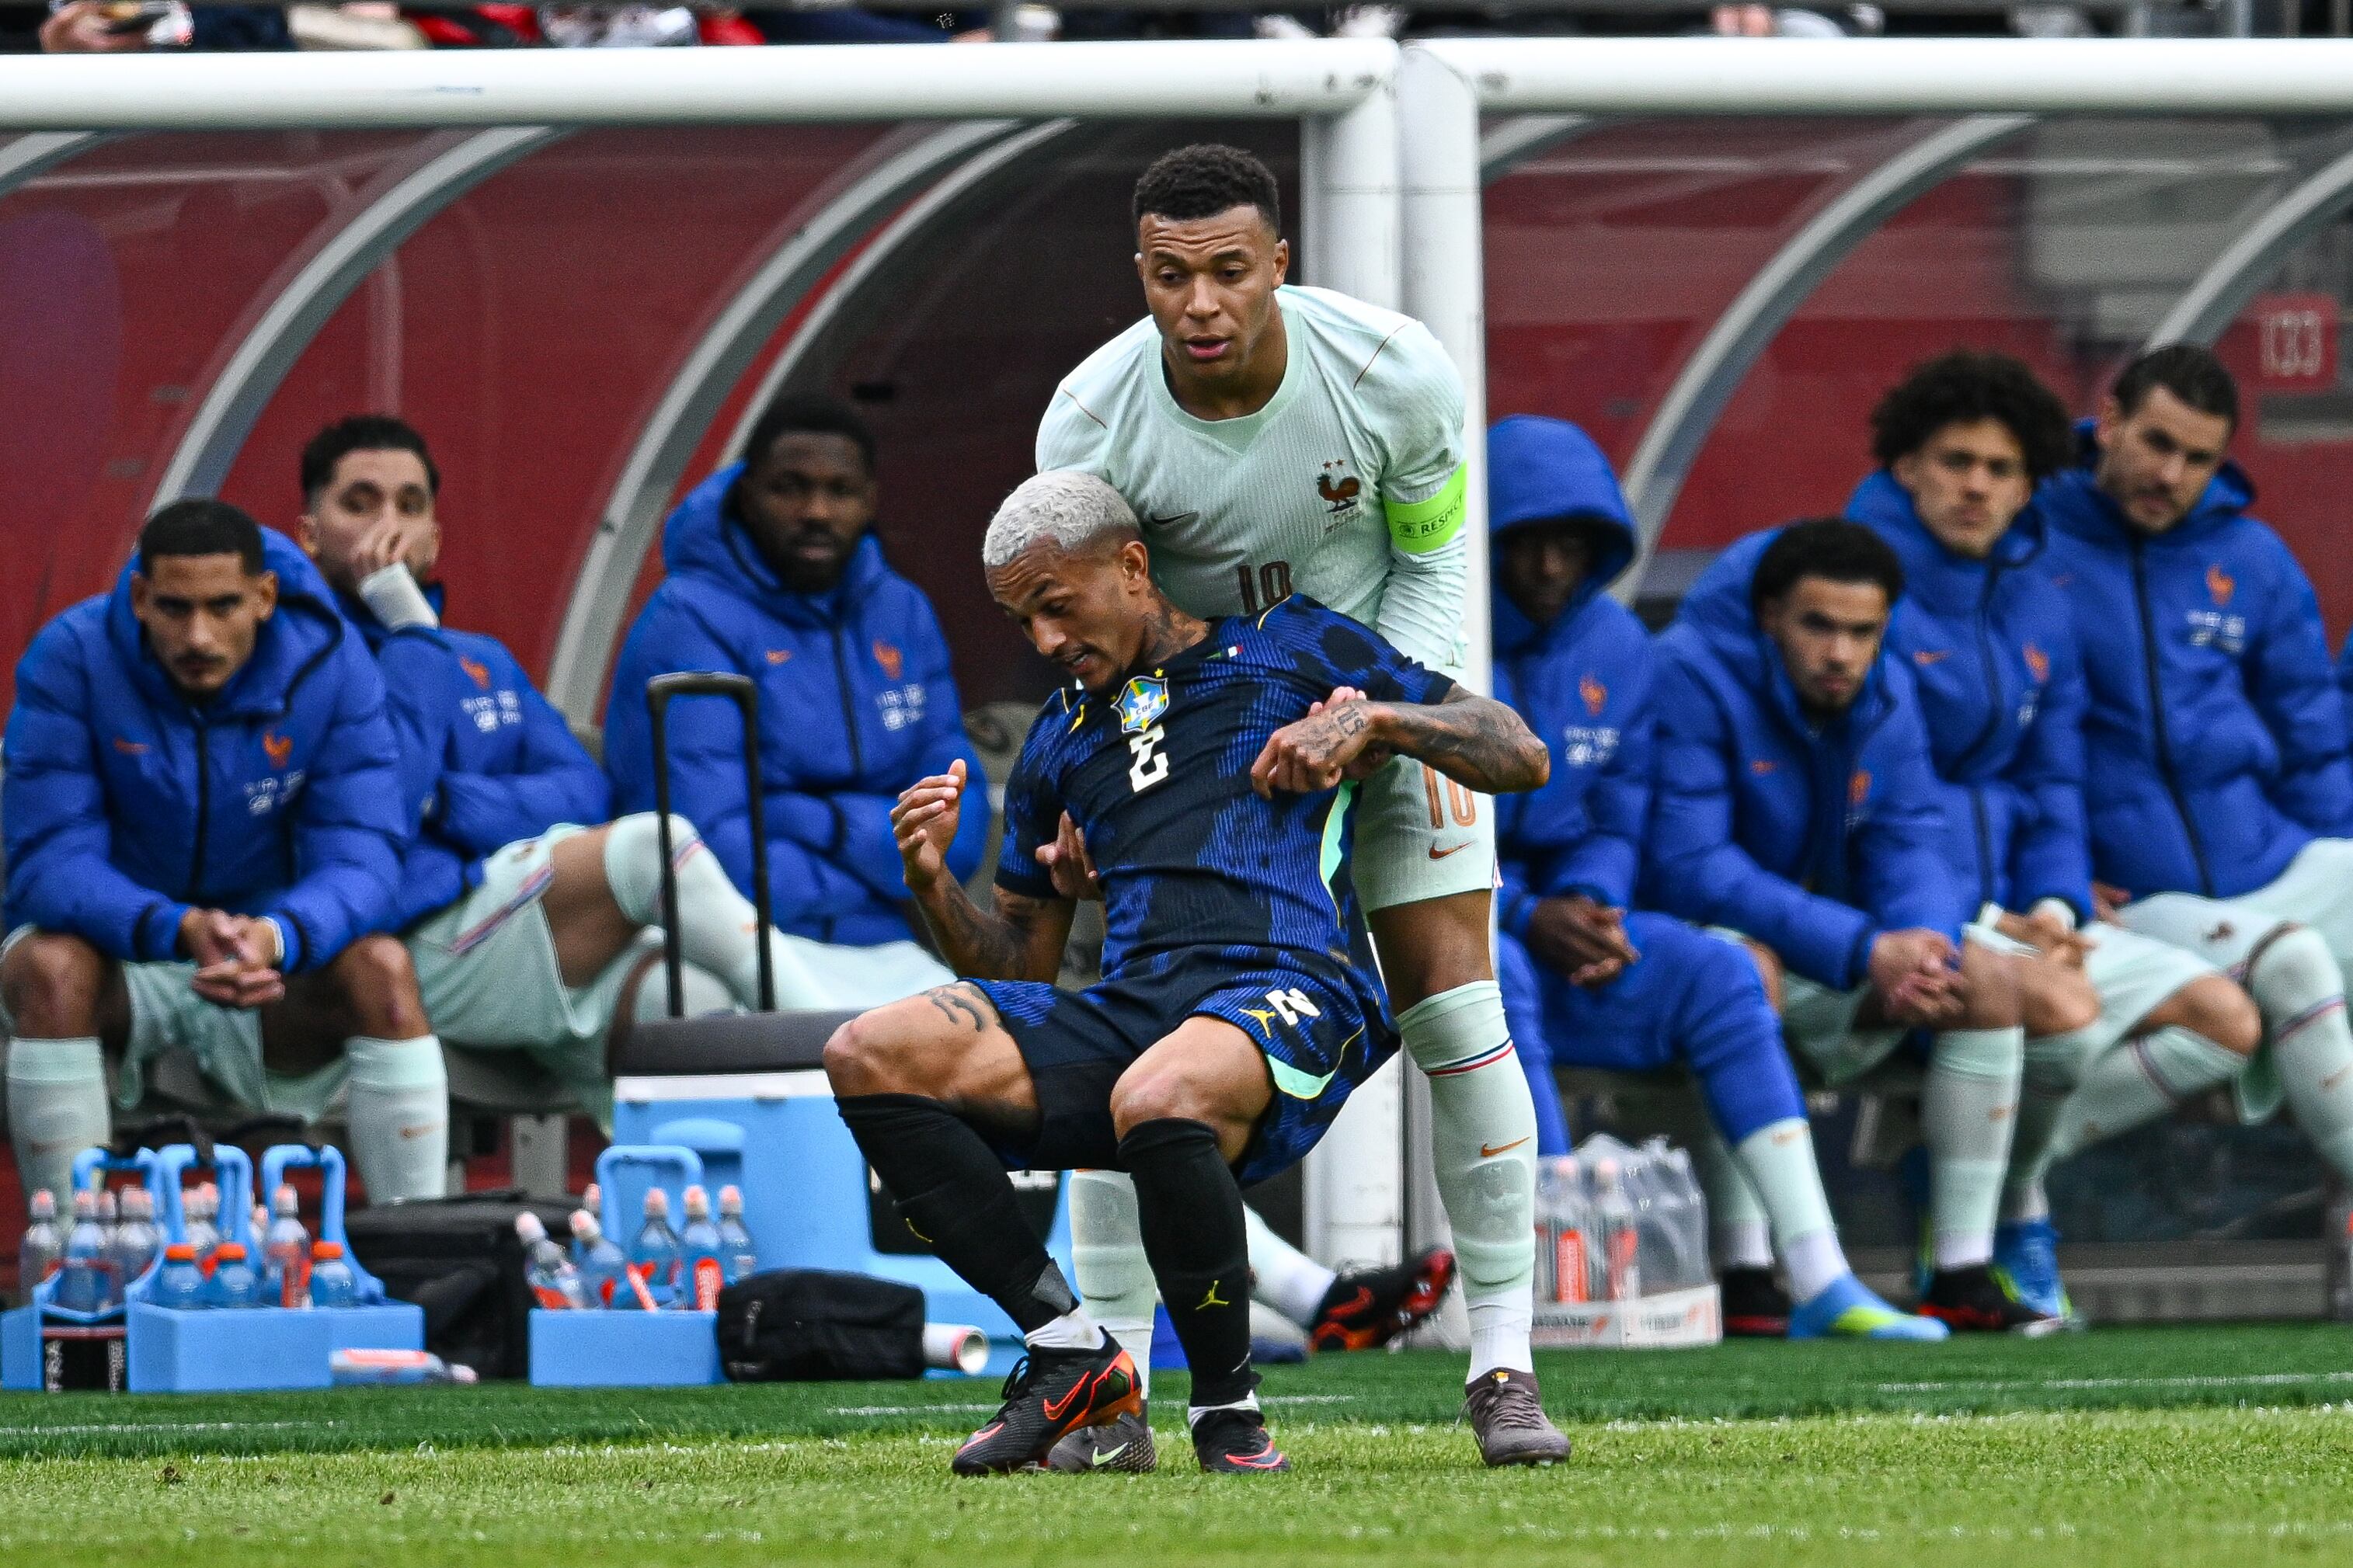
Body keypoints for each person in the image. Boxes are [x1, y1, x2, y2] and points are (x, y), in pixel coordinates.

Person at [821, 472, 1551, 1476]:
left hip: (1290, 986)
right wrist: (930, 883)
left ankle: (1228, 1415)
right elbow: (1021, 963)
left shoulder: (1293, 645)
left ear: (1132, 567)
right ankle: (1070, 1351)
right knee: (866, 1052)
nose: (1043, 639)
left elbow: (1519, 753)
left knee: (1156, 1089)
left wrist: (1376, 723)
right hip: (1137, 1008)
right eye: (1020, 620)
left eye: (1055, 605)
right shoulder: (1057, 738)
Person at [1036, 142, 1565, 1465]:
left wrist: (1370, 716)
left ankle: (1501, 1365)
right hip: (1193, 747)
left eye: (1228, 270)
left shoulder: (1392, 372)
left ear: (1279, 262)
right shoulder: (1089, 419)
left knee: (1455, 1005)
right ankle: (1111, 1385)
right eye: (1171, 276)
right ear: (1139, 274)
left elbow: (1434, 564)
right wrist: (1092, 772)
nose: (1200, 303)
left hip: (1378, 698)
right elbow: (1087, 614)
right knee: (1127, 1031)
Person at [1488, 416, 1941, 1342]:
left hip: (1565, 932)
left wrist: (1590, 904)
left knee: (1720, 970)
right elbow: (1406, 836)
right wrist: (1527, 913)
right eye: (1524, 541)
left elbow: (1617, 813)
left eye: (1571, 543)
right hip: (1460, 940)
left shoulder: (1618, 644)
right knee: (1492, 969)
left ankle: (1820, 1276)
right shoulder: (1434, 634)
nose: (1549, 566)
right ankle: (1560, 1272)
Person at [1848, 352, 2263, 1323]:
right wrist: (1983, 919)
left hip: (2015, 909)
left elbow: (2051, 779)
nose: (1976, 487)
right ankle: (1998, 1227)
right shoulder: (1855, 587)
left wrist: (2052, 904)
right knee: (2064, 1012)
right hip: (1902, 914)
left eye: (2001, 469)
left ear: (2029, 482)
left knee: (2224, 1022)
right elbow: (1876, 805)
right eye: (1956, 462)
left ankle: (1976, 1175)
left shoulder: (2035, 596)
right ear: (1907, 466)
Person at [294, 415, 839, 1128]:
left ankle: (722, 1191)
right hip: (395, 948)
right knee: (654, 847)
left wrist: (451, 804)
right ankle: (860, 1076)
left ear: (435, 534)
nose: (387, 528)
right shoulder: (300, 661)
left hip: (511, 926)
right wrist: (409, 631)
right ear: (309, 534)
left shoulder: (480, 658)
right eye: (360, 504)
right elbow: (386, 809)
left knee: (688, 1003)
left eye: (410, 505)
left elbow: (583, 791)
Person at [1648, 517, 2055, 1334]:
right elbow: (1691, 867)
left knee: (1980, 979)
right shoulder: (1688, 672)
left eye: (1862, 631)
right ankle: (1747, 1272)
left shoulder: (1886, 691)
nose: (1840, 652)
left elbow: (1911, 836)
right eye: (1818, 626)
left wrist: (1923, 945)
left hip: (1833, 953)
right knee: (1739, 971)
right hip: (1693, 950)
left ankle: (1961, 1271)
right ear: (1769, 616)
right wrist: (1863, 948)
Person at [1, 499, 429, 1205]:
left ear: (264, 597)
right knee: (51, 968)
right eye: (174, 608)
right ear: (141, 597)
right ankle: (73, 1253)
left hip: (265, 964)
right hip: (120, 960)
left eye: (223, 606)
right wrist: (177, 927)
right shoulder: (72, 655)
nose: (197, 635)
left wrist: (278, 935)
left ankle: (423, 1239)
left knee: (383, 968)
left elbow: (364, 853)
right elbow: (49, 860)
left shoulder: (331, 662)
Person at [2035, 344, 2353, 1212]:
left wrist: (2330, 851)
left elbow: (2311, 737)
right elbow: (2010, 746)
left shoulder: (2250, 555)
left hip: (2262, 859)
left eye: (2198, 458)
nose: (2170, 475)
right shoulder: (2029, 542)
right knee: (2295, 962)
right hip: (2135, 891)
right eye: (2156, 443)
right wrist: (2052, 877)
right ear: (2110, 421)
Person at [607, 395, 987, 1008]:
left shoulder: (901, 609)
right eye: (790, 488)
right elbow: (705, 853)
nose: (816, 511)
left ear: (870, 500)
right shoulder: (688, 617)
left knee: (993, 1048)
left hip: (884, 943)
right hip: (736, 943)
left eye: (840, 490)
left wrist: (817, 822)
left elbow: (956, 836)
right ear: (746, 492)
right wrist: (881, 866)